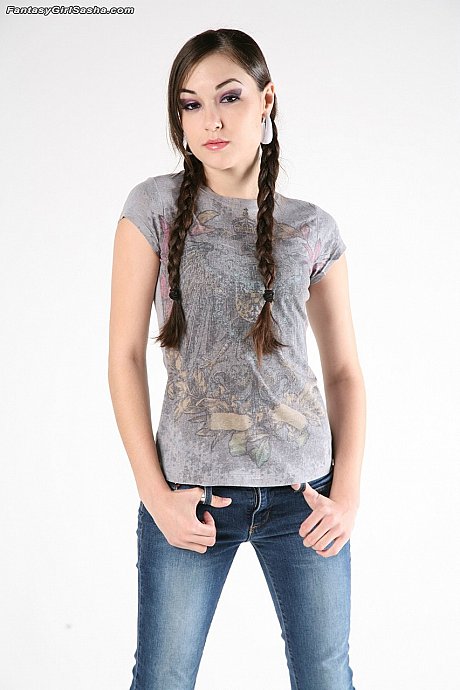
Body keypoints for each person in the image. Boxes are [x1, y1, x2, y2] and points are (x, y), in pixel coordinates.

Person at [108, 27, 366, 690]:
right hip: (188, 498)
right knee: (162, 677)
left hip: (305, 496)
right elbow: (124, 356)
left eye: (229, 97)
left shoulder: (312, 227)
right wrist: (155, 496)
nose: (211, 120)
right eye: (190, 104)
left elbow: (343, 372)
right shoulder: (152, 207)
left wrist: (346, 494)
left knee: (326, 676)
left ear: (266, 99)